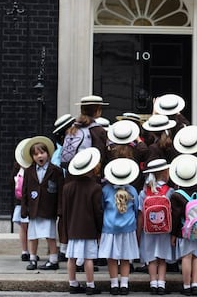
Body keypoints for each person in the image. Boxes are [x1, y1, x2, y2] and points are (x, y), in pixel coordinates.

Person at [62, 147, 104, 295]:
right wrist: (100, 230)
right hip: (89, 229)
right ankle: (90, 285)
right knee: (88, 258)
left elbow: (65, 211)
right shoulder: (96, 188)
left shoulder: (67, 188)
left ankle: (72, 283)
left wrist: (66, 230)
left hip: (73, 227)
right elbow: (98, 212)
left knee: (71, 257)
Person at [20, 136, 64, 271]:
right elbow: (25, 191)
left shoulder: (55, 170)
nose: (40, 156)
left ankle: (53, 259)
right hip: (34, 208)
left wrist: (60, 209)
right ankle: (32, 258)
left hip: (48, 208)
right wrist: (24, 208)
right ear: (32, 157)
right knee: (33, 235)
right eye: (36, 154)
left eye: (42, 152)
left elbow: (61, 191)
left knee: (50, 235)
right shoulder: (29, 171)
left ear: (48, 154)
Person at [99, 158, 140, 295]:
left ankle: (114, 284)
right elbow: (135, 210)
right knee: (125, 257)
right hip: (128, 229)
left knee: (112, 258)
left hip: (110, 229)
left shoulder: (105, 190)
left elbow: (102, 208)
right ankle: (124, 284)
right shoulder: (132, 190)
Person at [169, 154, 197, 296]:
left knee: (186, 257)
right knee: (196, 257)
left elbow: (176, 217)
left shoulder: (177, 195)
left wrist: (173, 235)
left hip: (184, 232)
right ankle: (195, 284)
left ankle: (186, 286)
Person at [137, 159, 174, 295]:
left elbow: (141, 214)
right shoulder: (169, 191)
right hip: (164, 230)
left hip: (148, 231)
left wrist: (138, 233)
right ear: (164, 172)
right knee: (162, 258)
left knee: (151, 258)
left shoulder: (144, 192)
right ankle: (161, 284)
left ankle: (153, 282)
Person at [63, 95, 109, 177]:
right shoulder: (98, 130)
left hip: (71, 174)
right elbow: (101, 155)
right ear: (97, 111)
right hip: (89, 176)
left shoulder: (72, 128)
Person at [51, 113, 76, 262]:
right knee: (64, 216)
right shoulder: (60, 150)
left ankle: (67, 247)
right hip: (65, 185)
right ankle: (64, 247)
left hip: (68, 184)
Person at [10, 137, 32, 261]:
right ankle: (28, 251)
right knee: (29, 228)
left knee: (23, 228)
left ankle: (25, 251)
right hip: (28, 203)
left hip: (20, 203)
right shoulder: (31, 168)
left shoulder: (17, 168)